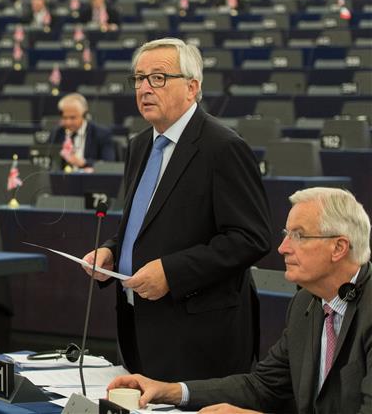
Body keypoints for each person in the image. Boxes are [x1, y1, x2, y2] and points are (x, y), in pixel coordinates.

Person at [80, 38, 272, 381]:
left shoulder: (223, 147)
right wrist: (113, 251)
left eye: (158, 78)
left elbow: (250, 238)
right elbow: (146, 221)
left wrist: (172, 272)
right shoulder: (140, 144)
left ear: (192, 87)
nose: (144, 88)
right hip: (139, 326)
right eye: (139, 79)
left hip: (199, 336)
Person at [108, 187, 371, 413]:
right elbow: (263, 385)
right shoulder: (306, 303)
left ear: (339, 247)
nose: (283, 248)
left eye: (299, 236)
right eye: (286, 234)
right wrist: (169, 391)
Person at [50, 93, 115, 168]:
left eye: (72, 118)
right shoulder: (57, 133)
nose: (68, 122)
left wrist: (84, 163)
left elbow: (109, 164)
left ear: (84, 115)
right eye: (65, 118)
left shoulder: (102, 134)